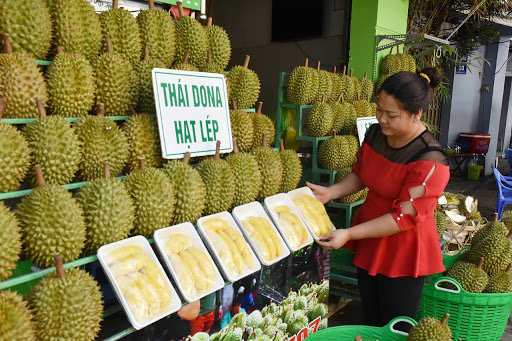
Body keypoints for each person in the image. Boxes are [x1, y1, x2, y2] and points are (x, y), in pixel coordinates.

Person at [308, 67, 450, 329]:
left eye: (391, 114)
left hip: (403, 249)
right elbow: (362, 174)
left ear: (417, 114)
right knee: (370, 319)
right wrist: (331, 192)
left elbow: (402, 217)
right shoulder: (376, 134)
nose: (382, 119)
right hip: (370, 237)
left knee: (395, 327)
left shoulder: (431, 161)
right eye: (379, 110)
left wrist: (349, 233)